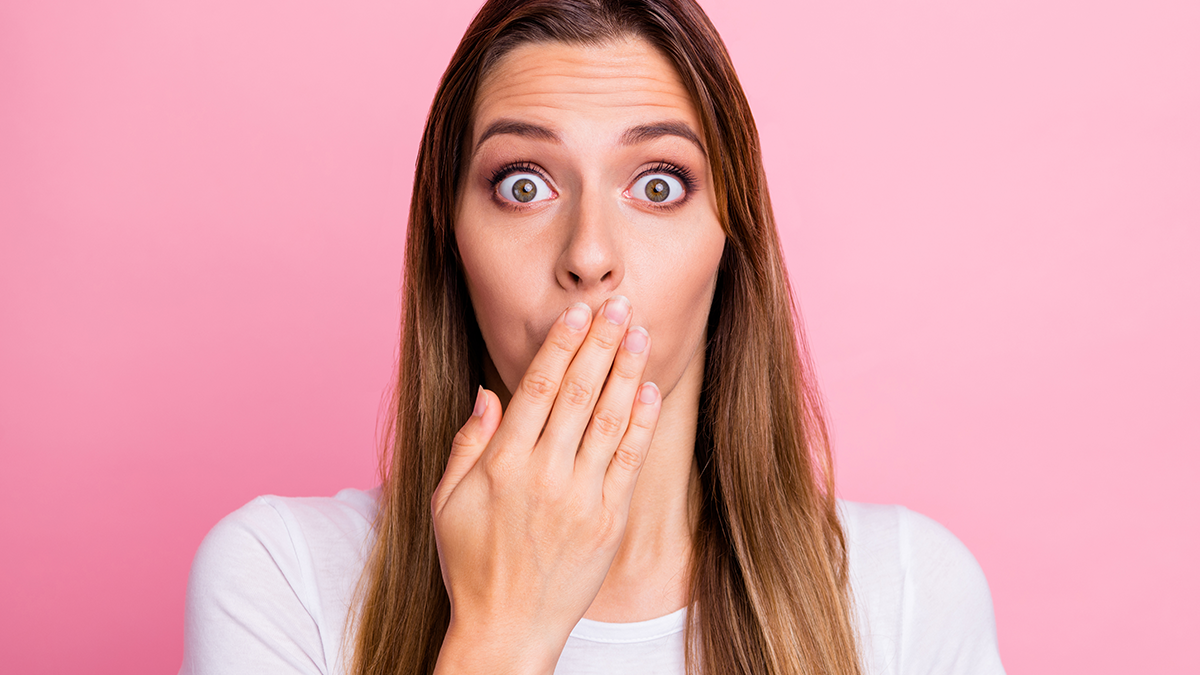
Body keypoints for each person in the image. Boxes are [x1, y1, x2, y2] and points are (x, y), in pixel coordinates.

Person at [179, 1, 1005, 673]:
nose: (588, 256)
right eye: (524, 183)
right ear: (451, 240)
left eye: (657, 183)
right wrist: (500, 634)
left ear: (732, 243)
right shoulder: (281, 579)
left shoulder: (907, 595)